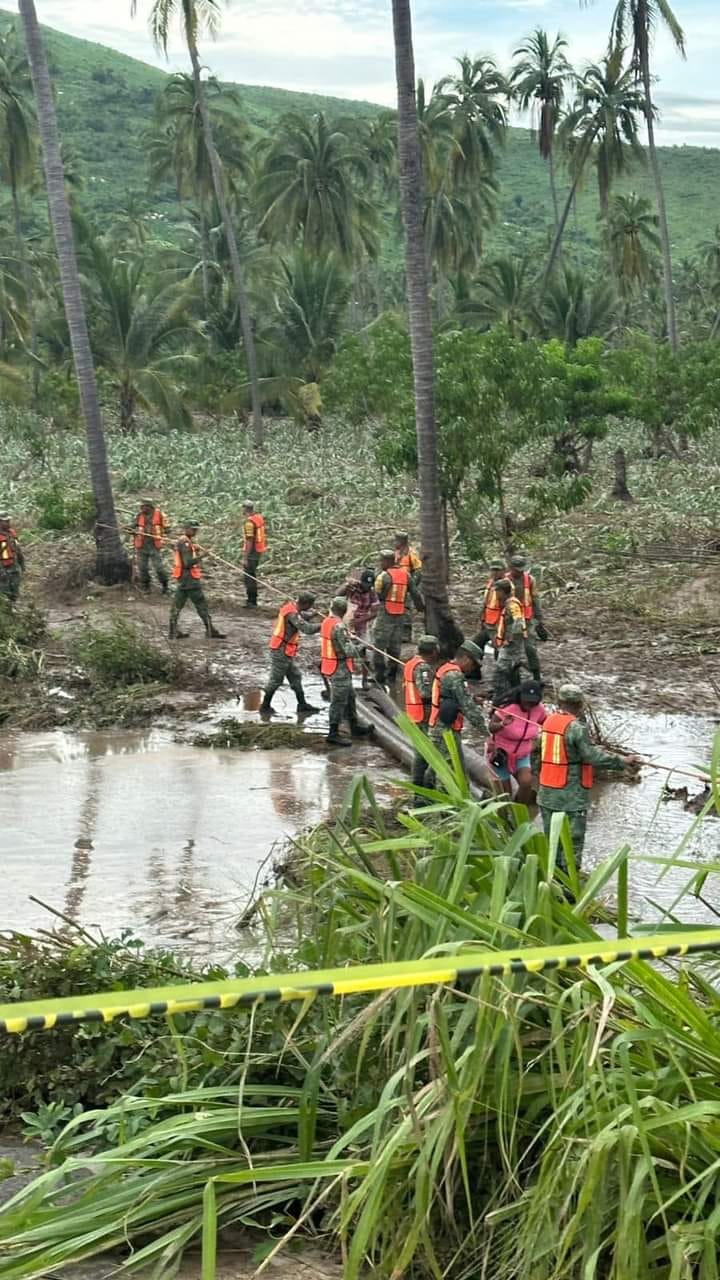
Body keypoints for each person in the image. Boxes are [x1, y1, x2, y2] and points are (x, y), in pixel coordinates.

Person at [538, 683, 641, 870]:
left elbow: (553, 751)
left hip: (546, 792)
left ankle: (552, 879)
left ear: (559, 702)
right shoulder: (577, 728)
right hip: (570, 794)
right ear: (580, 704)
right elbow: (592, 757)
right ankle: (570, 886)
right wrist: (623, 761)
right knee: (573, 841)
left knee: (552, 839)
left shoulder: (548, 721)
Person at [428, 640, 487, 781]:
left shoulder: (446, 668)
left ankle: (424, 799)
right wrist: (486, 732)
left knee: (436, 768)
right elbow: (468, 707)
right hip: (445, 731)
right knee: (454, 773)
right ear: (466, 659)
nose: (472, 669)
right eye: (473, 665)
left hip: (437, 726)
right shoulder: (455, 676)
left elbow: (452, 696)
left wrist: (472, 698)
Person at [320, 597, 373, 747]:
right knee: (338, 701)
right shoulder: (339, 627)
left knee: (350, 696)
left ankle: (354, 726)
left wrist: (351, 639)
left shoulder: (327, 622)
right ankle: (333, 733)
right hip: (338, 668)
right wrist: (362, 646)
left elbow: (339, 641)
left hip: (332, 665)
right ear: (344, 611)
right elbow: (349, 651)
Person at [260, 593, 321, 717]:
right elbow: (307, 629)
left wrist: (312, 615)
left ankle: (302, 704)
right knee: (276, 680)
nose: (310, 608)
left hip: (284, 650)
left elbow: (301, 617)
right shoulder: (292, 614)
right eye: (310, 606)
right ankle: (264, 706)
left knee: (295, 676)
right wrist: (324, 626)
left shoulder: (291, 608)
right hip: (280, 650)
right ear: (306, 604)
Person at [487, 680, 547, 804]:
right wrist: (502, 724)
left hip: (522, 754)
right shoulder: (508, 709)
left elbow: (546, 723)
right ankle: (505, 817)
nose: (529, 705)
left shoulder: (539, 709)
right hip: (502, 754)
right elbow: (491, 727)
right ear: (520, 696)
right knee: (505, 793)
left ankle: (520, 812)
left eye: (533, 702)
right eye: (527, 701)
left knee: (526, 783)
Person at [373, 550, 424, 688]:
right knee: (395, 645)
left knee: (379, 645)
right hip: (400, 614)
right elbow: (415, 594)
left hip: (385, 614)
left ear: (387, 561)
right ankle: (392, 675)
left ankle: (379, 677)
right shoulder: (405, 575)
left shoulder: (384, 576)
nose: (380, 563)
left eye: (382, 561)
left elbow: (379, 595)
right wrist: (421, 608)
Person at [169, 520, 226, 640]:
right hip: (189, 579)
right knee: (201, 604)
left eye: (196, 529)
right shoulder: (185, 542)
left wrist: (195, 550)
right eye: (193, 529)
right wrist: (203, 555)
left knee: (177, 604)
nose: (195, 531)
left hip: (183, 578)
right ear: (186, 528)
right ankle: (210, 630)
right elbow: (187, 563)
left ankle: (173, 631)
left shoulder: (185, 541)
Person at [402, 634, 439, 792]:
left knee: (420, 749)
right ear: (433, 651)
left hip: (413, 709)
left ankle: (419, 784)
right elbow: (425, 692)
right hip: (422, 712)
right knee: (423, 751)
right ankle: (420, 785)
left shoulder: (410, 663)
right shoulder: (423, 667)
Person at [506, 553, 547, 683]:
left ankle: (536, 675)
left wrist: (539, 618)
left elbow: (535, 598)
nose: (520, 572)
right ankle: (510, 676)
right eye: (517, 569)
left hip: (527, 619)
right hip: (509, 620)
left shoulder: (529, 580)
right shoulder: (504, 580)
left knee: (530, 648)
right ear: (511, 567)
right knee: (509, 648)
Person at [493, 579, 528, 705]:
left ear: (503, 592)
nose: (496, 594)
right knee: (512, 673)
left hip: (512, 647)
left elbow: (518, 620)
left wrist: (511, 637)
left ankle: (501, 700)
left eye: (497, 591)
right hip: (511, 646)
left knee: (500, 674)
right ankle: (514, 698)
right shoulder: (508, 603)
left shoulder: (512, 604)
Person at [133, 500, 169, 594]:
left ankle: (165, 584)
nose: (142, 509)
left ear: (150, 507)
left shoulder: (160, 515)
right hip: (142, 545)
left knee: (159, 567)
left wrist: (164, 537)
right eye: (141, 507)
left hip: (154, 545)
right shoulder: (139, 515)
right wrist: (131, 530)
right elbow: (134, 526)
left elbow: (168, 529)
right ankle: (145, 586)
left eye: (144, 506)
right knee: (142, 567)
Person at [472, 558, 506, 655]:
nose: (495, 573)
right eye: (493, 570)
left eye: (497, 570)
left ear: (503, 570)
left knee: (499, 649)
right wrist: (482, 618)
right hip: (487, 622)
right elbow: (486, 603)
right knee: (476, 645)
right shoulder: (491, 583)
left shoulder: (506, 585)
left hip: (498, 624)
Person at [394, 531, 422, 642]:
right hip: (395, 586)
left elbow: (419, 570)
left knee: (406, 609)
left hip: (406, 585)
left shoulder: (411, 553)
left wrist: (412, 585)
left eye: (397, 540)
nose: (395, 543)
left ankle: (406, 634)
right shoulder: (395, 553)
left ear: (403, 541)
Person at [241, 501, 267, 608]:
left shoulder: (249, 523)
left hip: (253, 552)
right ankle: (252, 600)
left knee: (249, 576)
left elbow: (249, 541)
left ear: (245, 509)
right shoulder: (258, 518)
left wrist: (245, 557)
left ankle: (252, 601)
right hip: (259, 549)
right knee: (252, 574)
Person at [0, 514, 25, 601]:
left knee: (15, 589)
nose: (8, 523)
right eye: (5, 521)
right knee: (4, 592)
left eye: (8, 521)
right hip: (2, 569)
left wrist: (22, 564)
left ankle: (13, 606)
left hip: (14, 566)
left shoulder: (12, 533)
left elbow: (18, 549)